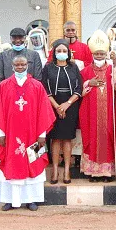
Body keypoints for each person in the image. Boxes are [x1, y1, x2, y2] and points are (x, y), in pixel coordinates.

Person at [0, 55, 56, 211]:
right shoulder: (4, 86)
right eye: (17, 65)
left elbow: (44, 112)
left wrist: (42, 135)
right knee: (10, 163)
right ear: (12, 66)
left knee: (34, 163)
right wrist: (0, 134)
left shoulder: (37, 86)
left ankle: (31, 199)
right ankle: (10, 200)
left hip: (33, 134)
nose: (20, 67)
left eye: (23, 65)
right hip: (10, 135)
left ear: (28, 65)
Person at [79, 31, 116, 182]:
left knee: (108, 136)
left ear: (106, 54)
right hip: (90, 111)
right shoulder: (85, 71)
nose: (99, 56)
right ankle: (93, 172)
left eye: (102, 53)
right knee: (92, 136)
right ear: (92, 53)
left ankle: (107, 173)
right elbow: (79, 92)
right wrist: (88, 83)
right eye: (96, 54)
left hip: (108, 110)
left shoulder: (111, 70)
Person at [41, 39, 83, 184]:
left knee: (67, 138)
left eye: (64, 51)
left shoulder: (74, 67)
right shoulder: (48, 68)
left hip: (70, 105)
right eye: (58, 51)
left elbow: (79, 89)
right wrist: (57, 106)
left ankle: (66, 170)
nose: (61, 53)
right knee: (55, 138)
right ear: (54, 53)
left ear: (68, 53)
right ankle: (54, 170)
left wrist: (67, 104)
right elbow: (44, 88)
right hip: (52, 105)